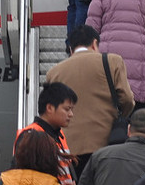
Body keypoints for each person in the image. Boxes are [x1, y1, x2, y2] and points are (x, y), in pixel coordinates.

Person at [45, 25, 135, 175]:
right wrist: (121, 118)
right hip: (106, 145)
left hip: (69, 150)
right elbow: (127, 100)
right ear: (94, 43)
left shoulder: (54, 72)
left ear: (71, 48)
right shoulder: (112, 61)